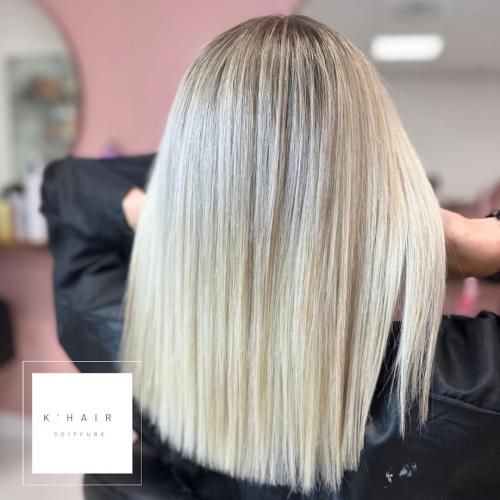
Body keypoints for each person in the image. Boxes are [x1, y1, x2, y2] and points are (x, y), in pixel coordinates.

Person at [42, 15, 500, 500]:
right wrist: (475, 238)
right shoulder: (464, 395)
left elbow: (65, 185)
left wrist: (181, 200)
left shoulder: (119, 335)